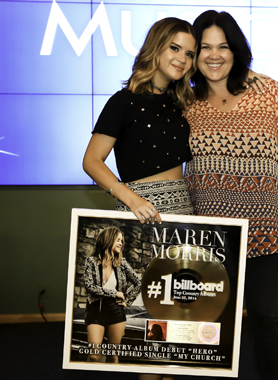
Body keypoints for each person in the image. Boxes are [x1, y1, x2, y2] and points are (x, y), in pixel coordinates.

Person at [184, 10, 278, 380]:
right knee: (206, 319)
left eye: (223, 46)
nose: (214, 55)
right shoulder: (186, 101)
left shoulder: (269, 91)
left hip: (266, 229)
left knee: (264, 314)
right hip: (206, 233)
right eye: (204, 47)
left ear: (236, 50)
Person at [83, 17, 198, 224]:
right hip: (141, 212)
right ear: (156, 47)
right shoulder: (124, 101)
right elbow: (91, 161)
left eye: (189, 54)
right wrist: (133, 201)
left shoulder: (182, 102)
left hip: (183, 213)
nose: (182, 58)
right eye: (175, 48)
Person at [84, 226, 141, 364]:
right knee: (93, 355)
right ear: (108, 239)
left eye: (122, 241)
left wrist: (127, 299)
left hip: (116, 312)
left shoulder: (121, 263)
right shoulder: (90, 262)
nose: (121, 243)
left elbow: (138, 282)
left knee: (113, 356)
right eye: (118, 240)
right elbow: (90, 287)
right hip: (95, 312)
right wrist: (115, 293)